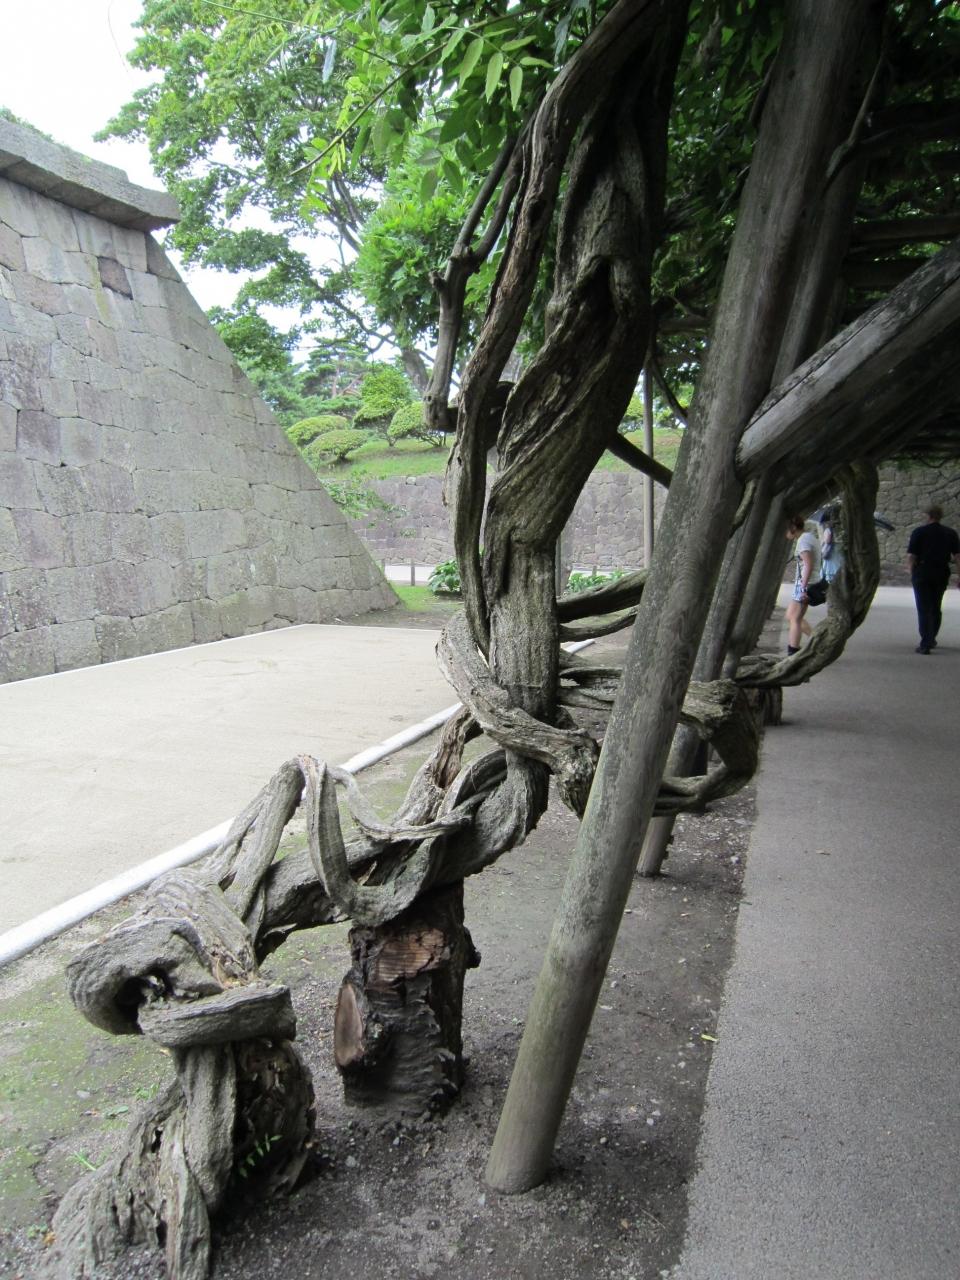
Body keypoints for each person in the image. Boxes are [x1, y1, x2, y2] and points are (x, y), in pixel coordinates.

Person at [906, 503, 960, 654]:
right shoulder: (950, 533)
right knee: (936, 605)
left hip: (922, 571)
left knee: (924, 607)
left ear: (928, 516)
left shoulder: (919, 532)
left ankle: (925, 642)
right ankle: (932, 637)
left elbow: (911, 556)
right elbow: (957, 556)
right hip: (941, 571)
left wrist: (911, 572)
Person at [785, 514, 823, 654]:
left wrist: (803, 588)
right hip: (805, 583)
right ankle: (816, 640)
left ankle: (793, 651)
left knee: (795, 618)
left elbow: (808, 565)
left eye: (787, 529)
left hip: (805, 583)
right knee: (791, 615)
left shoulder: (804, 541)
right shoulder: (808, 538)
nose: (785, 533)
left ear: (793, 528)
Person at [819, 507, 844, 585]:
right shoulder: (842, 528)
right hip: (839, 550)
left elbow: (827, 540)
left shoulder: (828, 529)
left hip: (831, 552)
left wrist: (823, 542)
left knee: (830, 570)